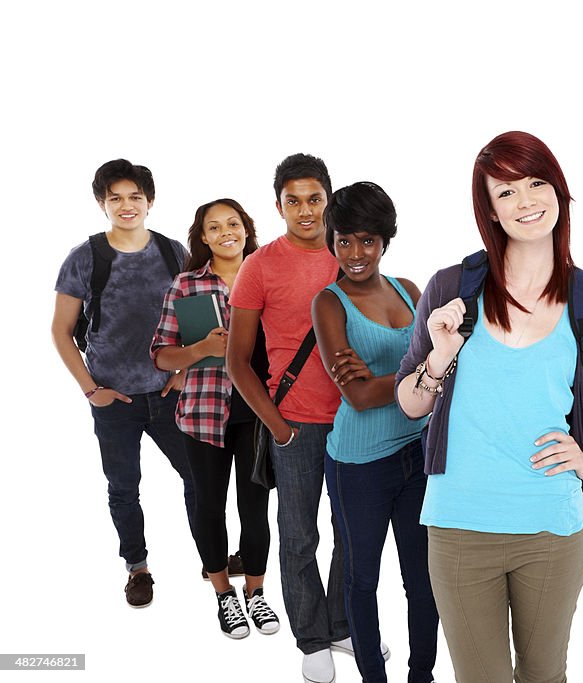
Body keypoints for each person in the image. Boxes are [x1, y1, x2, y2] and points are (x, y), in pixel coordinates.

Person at [395, 131, 583, 683]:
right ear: (490, 212)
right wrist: (438, 359)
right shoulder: (451, 288)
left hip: (552, 530)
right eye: (506, 192)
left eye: (536, 183)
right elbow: (408, 404)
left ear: (558, 191)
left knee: (545, 677)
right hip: (458, 528)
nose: (525, 201)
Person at [225, 154, 360, 683]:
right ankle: (311, 638)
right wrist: (278, 427)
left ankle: (342, 625)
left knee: (354, 533)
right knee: (300, 537)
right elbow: (238, 360)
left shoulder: (350, 254)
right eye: (293, 201)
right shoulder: (260, 265)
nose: (305, 211)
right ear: (278, 204)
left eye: (314, 199)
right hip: (296, 425)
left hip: (356, 422)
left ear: (329, 199)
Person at [51, 159, 194, 608]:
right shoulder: (85, 257)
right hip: (113, 398)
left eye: (135, 196)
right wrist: (92, 390)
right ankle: (138, 568)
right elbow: (61, 330)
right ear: (102, 204)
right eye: (115, 198)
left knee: (199, 477)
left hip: (169, 394)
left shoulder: (174, 253)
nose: (126, 205)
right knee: (123, 487)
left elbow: (195, 321)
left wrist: (184, 372)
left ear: (150, 201)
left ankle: (213, 561)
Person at [313, 182, 437, 683]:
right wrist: (426, 373)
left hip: (419, 453)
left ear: (385, 240)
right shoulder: (329, 303)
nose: (355, 254)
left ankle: (421, 675)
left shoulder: (410, 289)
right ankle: (373, 678)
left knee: (422, 581)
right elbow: (358, 397)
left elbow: (448, 363)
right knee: (362, 580)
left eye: (367, 240)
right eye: (344, 240)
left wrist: (421, 373)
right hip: (358, 465)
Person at [151, 198, 280, 639]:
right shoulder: (185, 286)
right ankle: (225, 595)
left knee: (255, 507)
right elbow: (161, 355)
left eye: (234, 223)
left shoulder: (268, 277)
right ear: (203, 237)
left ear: (246, 229)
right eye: (214, 227)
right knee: (208, 506)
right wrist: (198, 351)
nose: (226, 232)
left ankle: (257, 594)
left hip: (258, 413)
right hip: (203, 414)